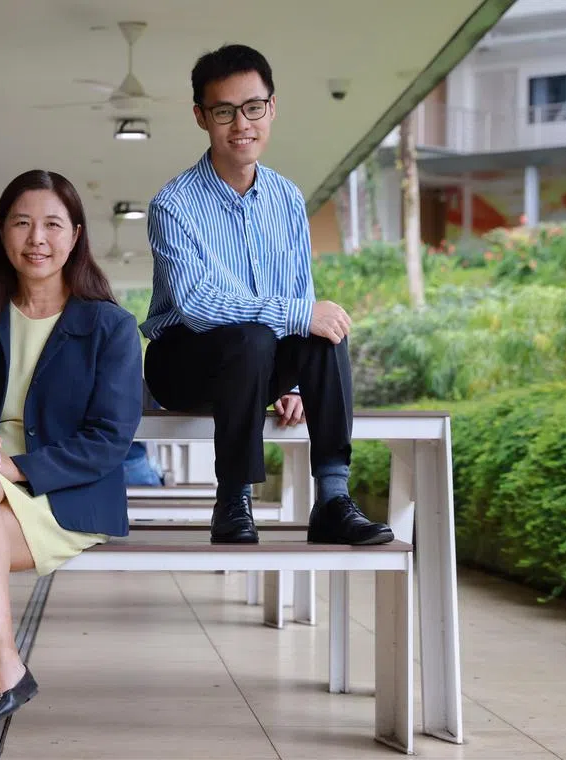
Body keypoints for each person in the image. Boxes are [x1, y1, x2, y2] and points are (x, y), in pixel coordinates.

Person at [0, 170, 143, 759]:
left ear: (75, 236)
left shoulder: (110, 327)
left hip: (69, 492)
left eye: (51, 224)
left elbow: (110, 440)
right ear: (1, 233)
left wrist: (15, 468)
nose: (36, 238)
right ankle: (5, 667)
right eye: (22, 223)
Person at [140, 44, 393, 546]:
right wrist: (294, 316)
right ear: (201, 117)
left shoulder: (287, 198)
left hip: (258, 358)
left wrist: (295, 382)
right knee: (256, 335)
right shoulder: (173, 205)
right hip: (183, 362)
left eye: (253, 107)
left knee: (327, 328)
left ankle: (334, 499)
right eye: (224, 112)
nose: (242, 124)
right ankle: (233, 498)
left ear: (271, 108)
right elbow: (196, 304)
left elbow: (301, 296)